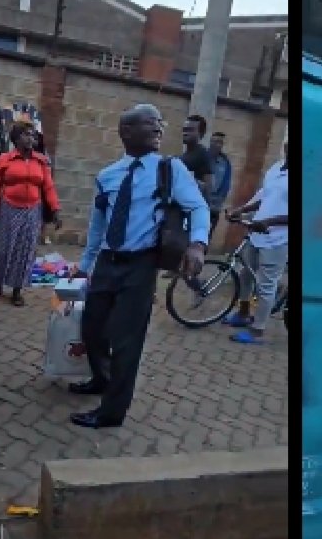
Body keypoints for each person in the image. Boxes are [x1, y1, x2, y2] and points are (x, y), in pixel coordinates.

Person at [68, 104, 209, 429]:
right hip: (107, 262)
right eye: (150, 123)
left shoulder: (169, 169)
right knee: (92, 327)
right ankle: (101, 379)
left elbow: (198, 207)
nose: (159, 128)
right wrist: (86, 264)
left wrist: (198, 244)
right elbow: (97, 225)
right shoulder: (107, 176)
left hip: (140, 265)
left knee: (126, 341)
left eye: (160, 123)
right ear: (126, 131)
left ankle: (111, 412)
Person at [0, 121, 62, 307]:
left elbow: (48, 187)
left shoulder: (41, 161)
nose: (31, 138)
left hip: (32, 211)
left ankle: (17, 291)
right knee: (1, 250)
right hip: (8, 209)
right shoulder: (5, 159)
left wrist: (55, 209)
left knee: (24, 251)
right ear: (16, 138)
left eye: (33, 135)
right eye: (26, 134)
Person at [221, 138, 289, 344]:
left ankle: (257, 330)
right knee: (245, 274)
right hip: (256, 233)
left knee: (266, 285)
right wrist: (241, 210)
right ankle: (243, 313)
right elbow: (263, 196)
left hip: (277, 240)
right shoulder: (276, 168)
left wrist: (269, 222)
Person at [163, 114, 213, 278]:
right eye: (184, 130)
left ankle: (195, 283)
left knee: (189, 246)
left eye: (190, 130)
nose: (185, 133)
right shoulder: (183, 156)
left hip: (193, 209)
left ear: (201, 134)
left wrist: (188, 182)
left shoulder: (202, 154)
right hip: (180, 209)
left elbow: (208, 185)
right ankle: (175, 268)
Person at [207, 131, 234, 237]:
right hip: (198, 204)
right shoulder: (202, 158)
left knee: (207, 236)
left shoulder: (225, 162)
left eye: (219, 142)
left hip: (214, 207)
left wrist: (218, 203)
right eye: (214, 141)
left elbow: (225, 185)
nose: (216, 144)